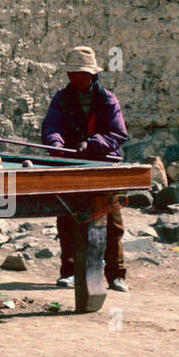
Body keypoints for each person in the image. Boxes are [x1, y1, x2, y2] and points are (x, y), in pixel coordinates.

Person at [41, 45, 130, 292]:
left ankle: (116, 274)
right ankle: (70, 271)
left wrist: (91, 144)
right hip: (71, 165)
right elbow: (51, 126)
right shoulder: (61, 99)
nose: (75, 78)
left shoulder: (107, 100)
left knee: (112, 223)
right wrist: (56, 144)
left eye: (80, 73)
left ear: (92, 75)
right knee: (69, 219)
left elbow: (117, 133)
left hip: (103, 165)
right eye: (72, 73)